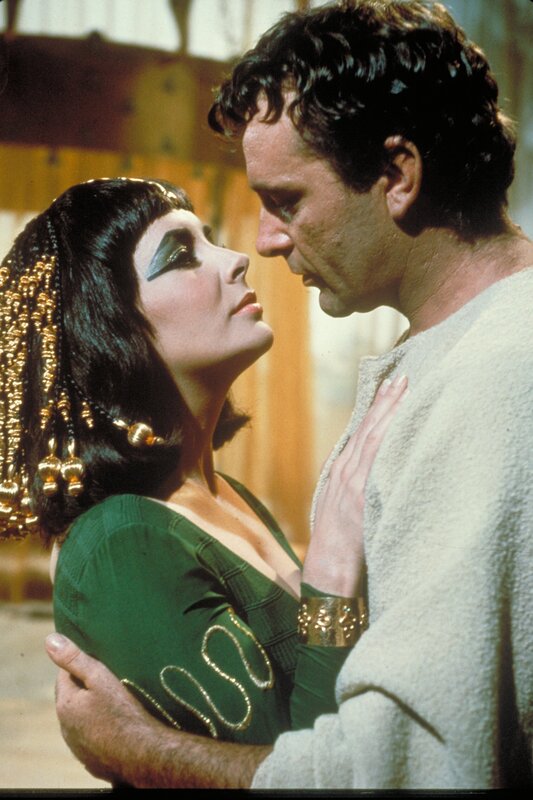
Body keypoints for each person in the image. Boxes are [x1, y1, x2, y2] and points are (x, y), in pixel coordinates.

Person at [45, 0, 533, 790]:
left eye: (287, 200)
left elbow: (411, 769)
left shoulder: (492, 379)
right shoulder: (462, 357)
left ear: (397, 175)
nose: (261, 244)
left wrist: (139, 750)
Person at [0, 177, 405, 753]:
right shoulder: (121, 543)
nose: (236, 259)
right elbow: (304, 773)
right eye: (181, 255)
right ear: (107, 327)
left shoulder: (226, 494)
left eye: (210, 239)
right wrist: (335, 576)